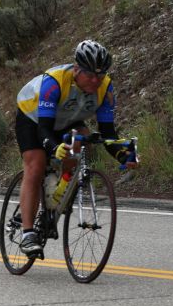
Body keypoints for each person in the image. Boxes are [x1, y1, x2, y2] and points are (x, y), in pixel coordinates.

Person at [14, 39, 136, 255]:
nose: (96, 80)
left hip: (68, 120)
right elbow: (43, 130)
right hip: (33, 118)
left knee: (84, 139)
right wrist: (54, 147)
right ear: (77, 69)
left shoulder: (106, 88)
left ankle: (58, 191)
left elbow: (108, 133)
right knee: (36, 164)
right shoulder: (54, 82)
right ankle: (28, 233)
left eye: (100, 75)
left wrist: (124, 155)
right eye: (90, 75)